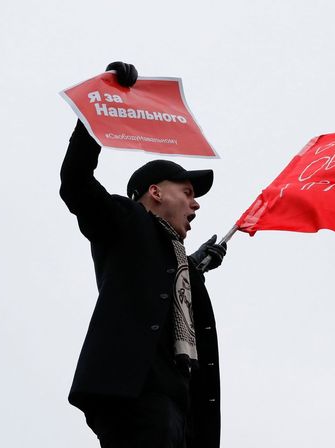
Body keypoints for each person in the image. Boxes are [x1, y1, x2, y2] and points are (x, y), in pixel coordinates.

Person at [60, 61, 226, 448]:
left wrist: (197, 264)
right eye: (187, 192)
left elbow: (165, 278)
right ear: (155, 192)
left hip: (183, 410)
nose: (195, 204)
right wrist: (97, 114)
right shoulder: (125, 221)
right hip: (135, 395)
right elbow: (76, 183)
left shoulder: (176, 257)